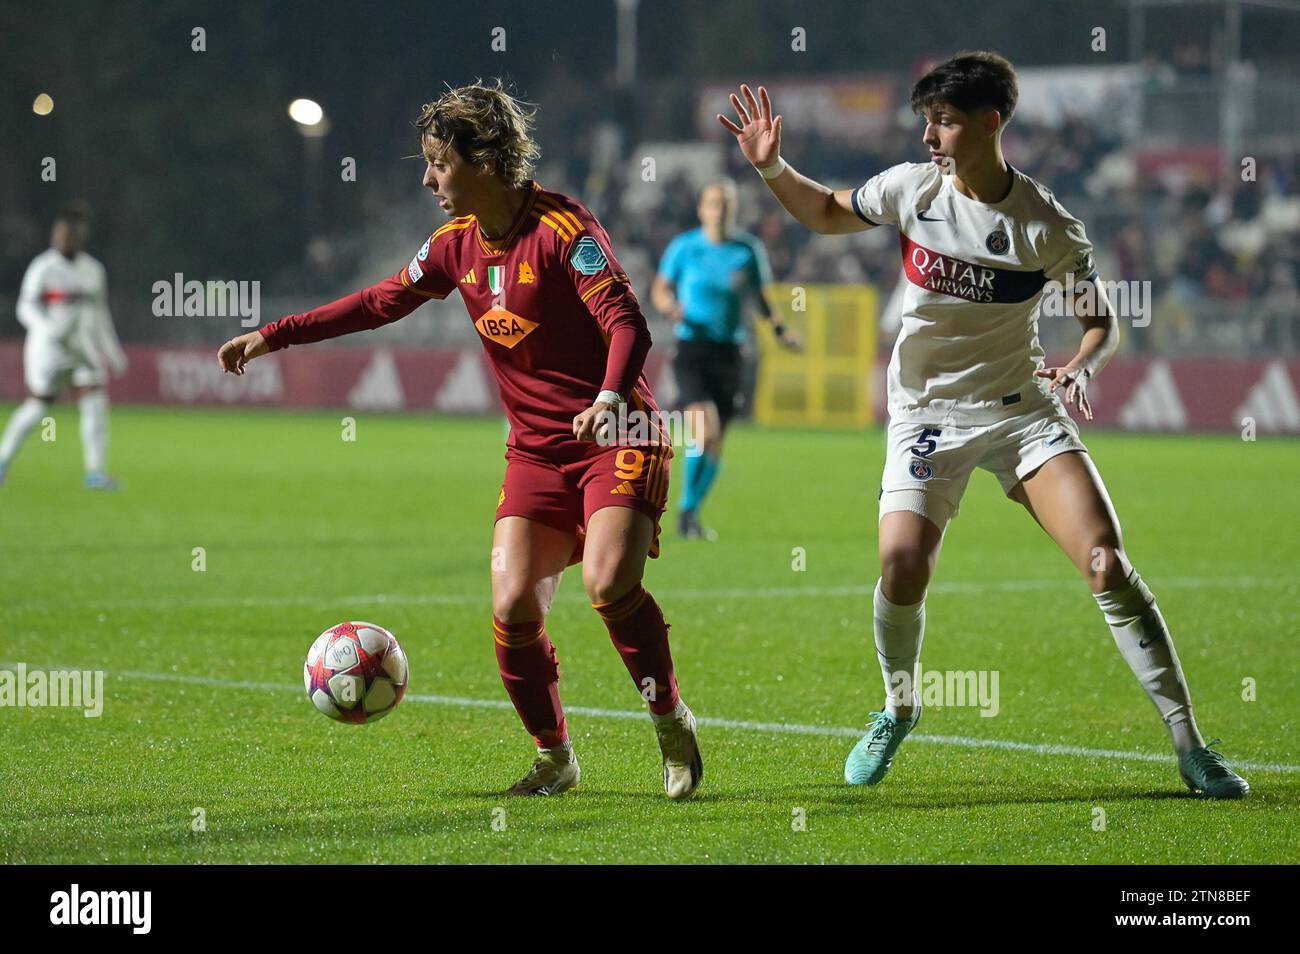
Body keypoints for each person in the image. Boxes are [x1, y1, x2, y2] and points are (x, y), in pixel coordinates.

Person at [719, 53, 1249, 798]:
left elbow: (1102, 323)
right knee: (903, 567)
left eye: (944, 121)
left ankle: (1192, 746)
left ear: (991, 122)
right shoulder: (912, 189)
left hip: (1021, 415)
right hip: (927, 416)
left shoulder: (1044, 224)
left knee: (1105, 562)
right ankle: (899, 708)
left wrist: (1084, 364)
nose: (930, 136)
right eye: (926, 121)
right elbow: (826, 211)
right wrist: (774, 169)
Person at [218, 81, 701, 799]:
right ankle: (555, 756)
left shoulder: (564, 228)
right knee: (512, 609)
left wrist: (605, 398)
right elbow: (379, 302)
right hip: (536, 450)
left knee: (608, 582)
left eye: (439, 162)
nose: (427, 177)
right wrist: (275, 333)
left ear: (483, 159)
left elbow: (628, 323)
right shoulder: (453, 248)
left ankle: (669, 720)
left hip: (617, 431)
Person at [651, 180, 799, 539]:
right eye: (714, 203)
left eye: (727, 204)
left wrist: (781, 332)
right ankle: (685, 509)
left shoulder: (747, 250)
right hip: (692, 349)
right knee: (705, 428)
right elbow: (659, 288)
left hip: (730, 354)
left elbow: (762, 299)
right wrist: (670, 306)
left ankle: (691, 511)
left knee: (716, 442)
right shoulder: (685, 247)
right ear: (702, 209)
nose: (721, 210)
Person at [0, 202, 127, 489]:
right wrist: (47, 330)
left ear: (80, 237)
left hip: (80, 347)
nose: (63, 239)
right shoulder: (43, 268)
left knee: (94, 398)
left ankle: (95, 473)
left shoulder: (93, 271)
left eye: (70, 235)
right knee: (38, 405)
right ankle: (2, 462)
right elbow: (25, 308)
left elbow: (100, 315)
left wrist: (112, 352)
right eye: (59, 234)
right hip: (48, 349)